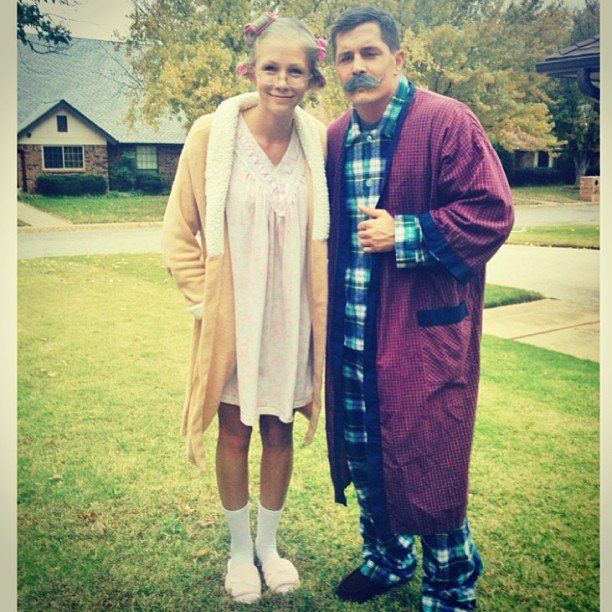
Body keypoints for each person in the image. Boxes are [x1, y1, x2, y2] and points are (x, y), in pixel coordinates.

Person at [324, 5, 514, 609]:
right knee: (366, 449)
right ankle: (386, 558)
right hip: (353, 332)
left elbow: (492, 212)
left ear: (398, 58)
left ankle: (451, 584)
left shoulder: (447, 121)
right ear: (334, 68)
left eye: (369, 53)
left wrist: (406, 233)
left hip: (425, 336)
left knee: (430, 458)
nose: (358, 67)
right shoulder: (333, 138)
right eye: (346, 57)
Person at [161, 13, 329, 605]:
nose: (282, 81)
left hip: (294, 320)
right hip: (234, 318)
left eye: (296, 71)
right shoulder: (213, 135)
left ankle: (268, 547)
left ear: (312, 78)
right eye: (271, 68)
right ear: (249, 70)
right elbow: (178, 233)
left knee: (280, 430)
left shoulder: (318, 143)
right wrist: (206, 302)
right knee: (233, 432)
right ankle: (238, 553)